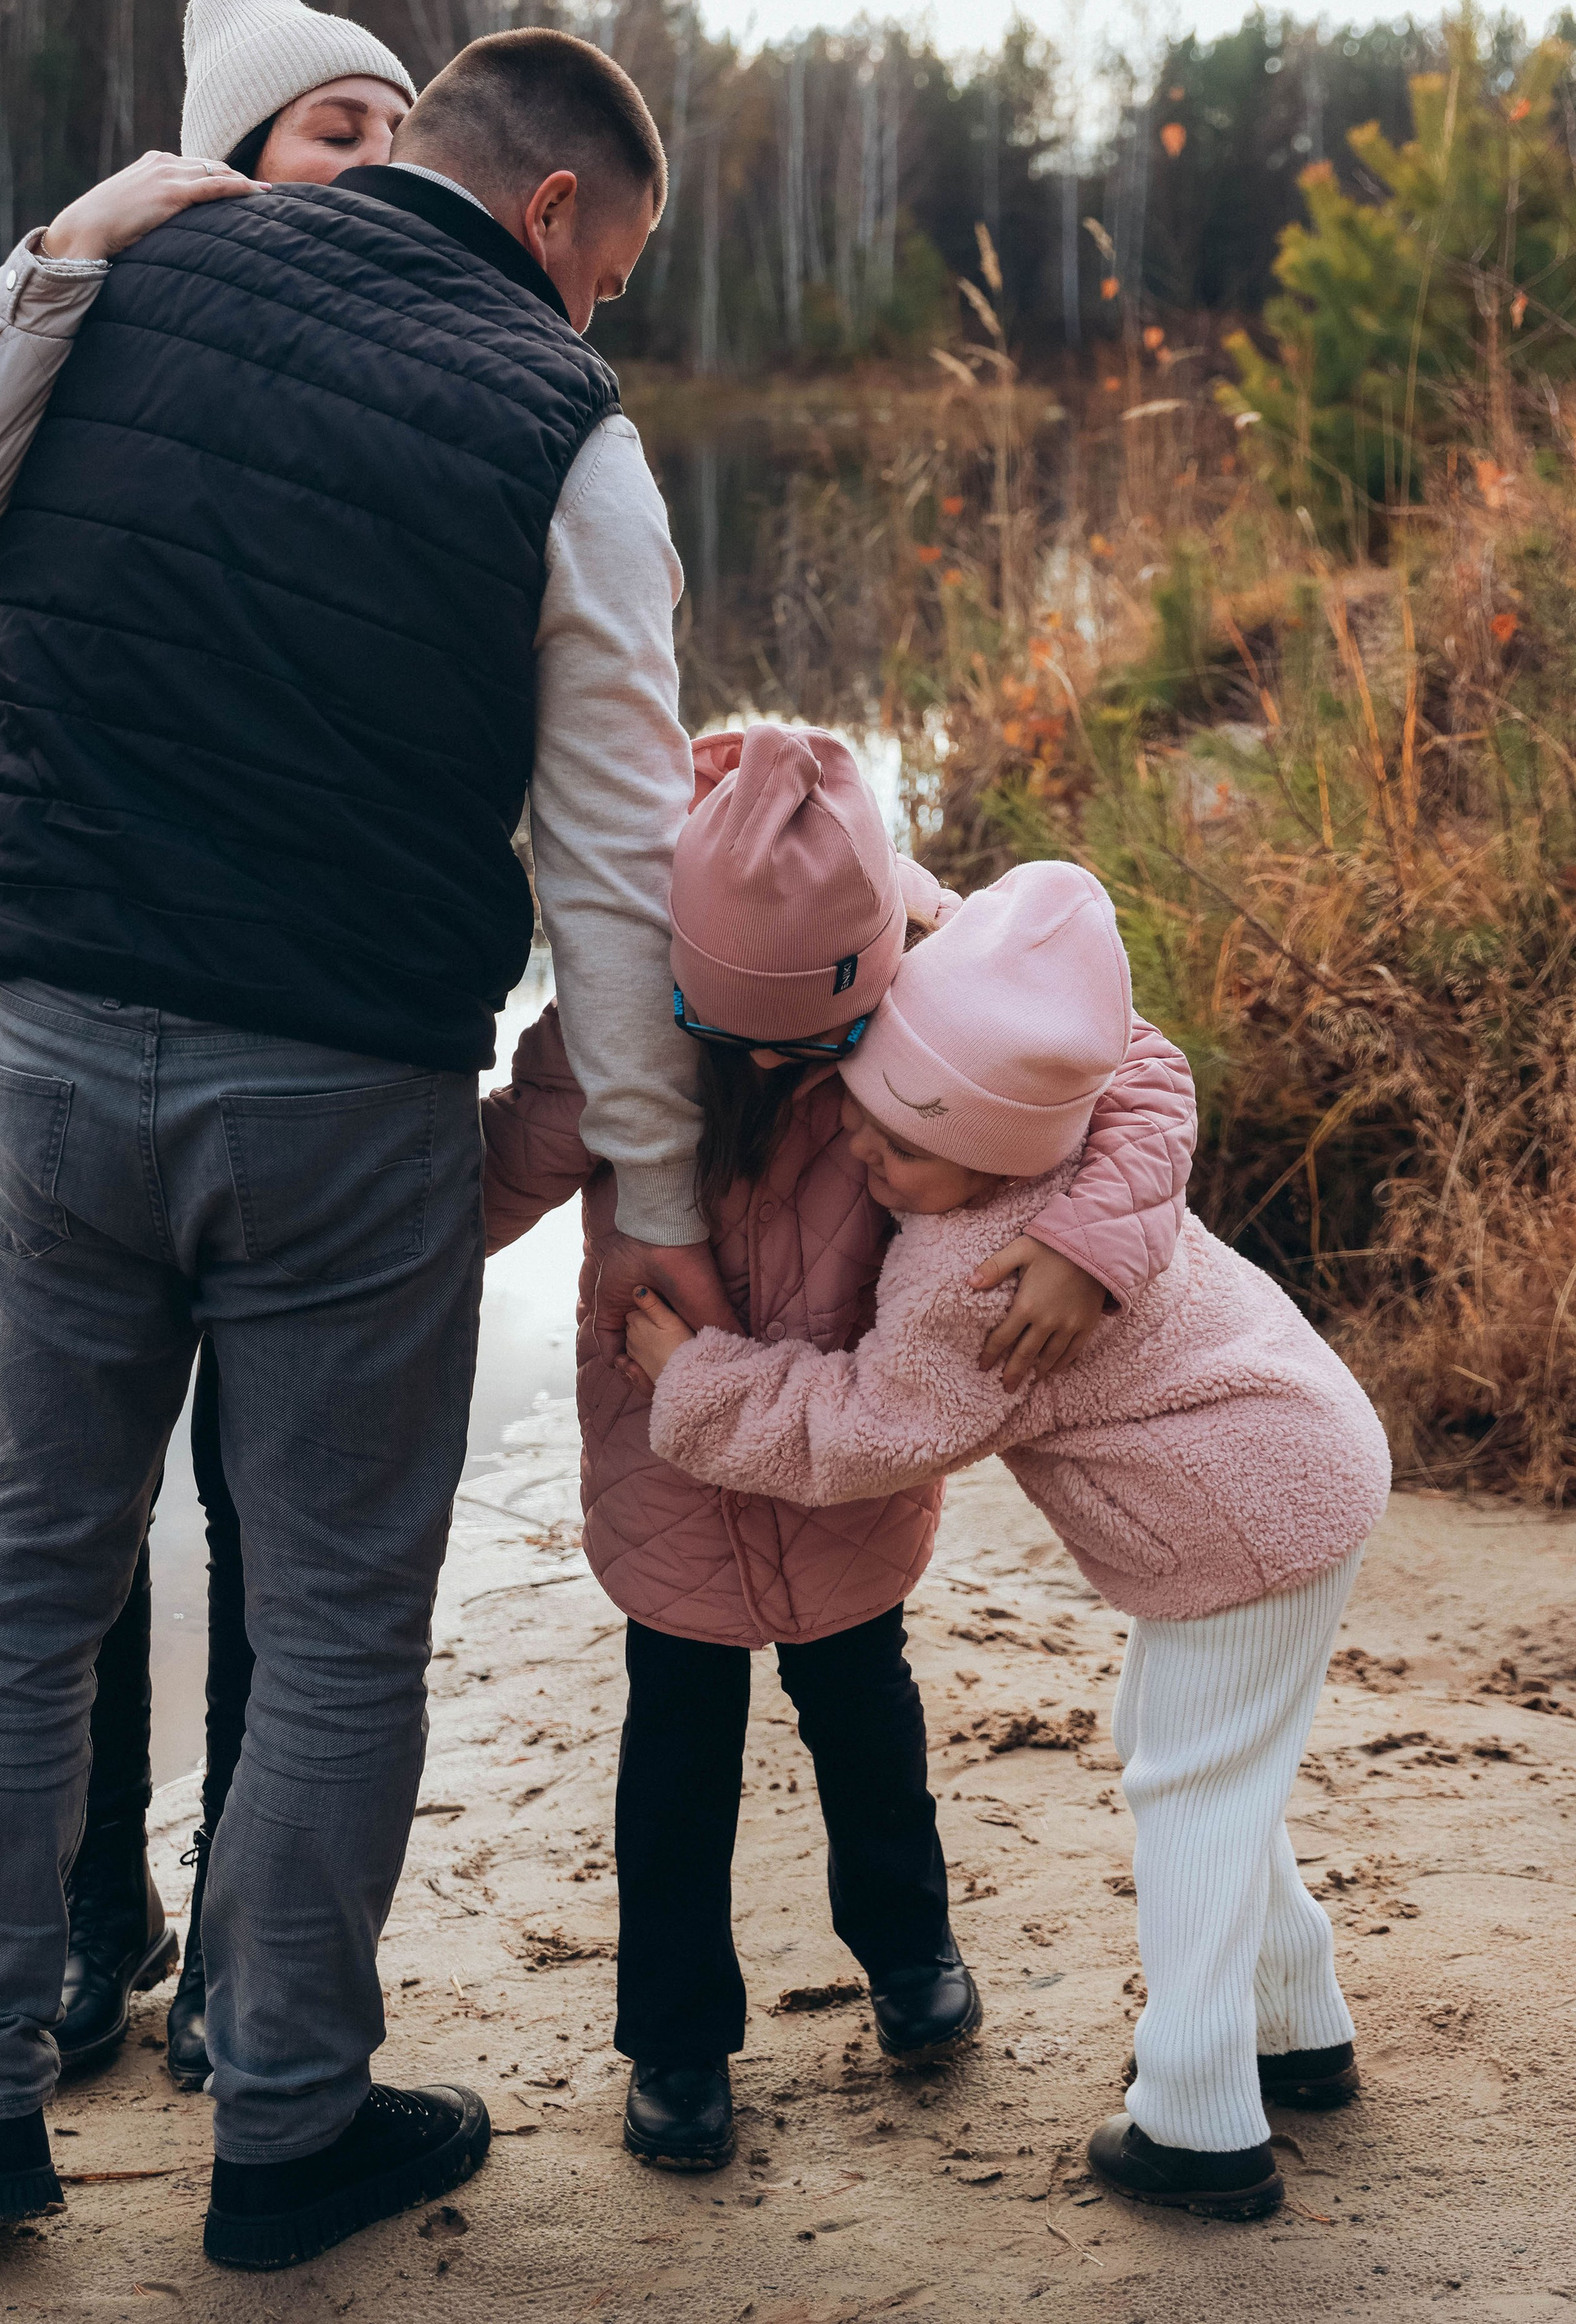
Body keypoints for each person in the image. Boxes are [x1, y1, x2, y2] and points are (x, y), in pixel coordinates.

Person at [0, 13, 737, 2273]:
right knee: (342, 1619)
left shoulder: (131, 284)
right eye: (612, 271)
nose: (597, 318)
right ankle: (283, 2124)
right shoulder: (566, 425)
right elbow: (623, 876)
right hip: (338, 1095)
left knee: (22, 1586)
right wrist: (651, 1198)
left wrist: (68, 234)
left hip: (50, 1046)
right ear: (555, 211)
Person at [0, 0, 421, 2095]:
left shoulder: (431, 370)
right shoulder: (88, 344)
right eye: (332, 132)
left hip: (293, 1042)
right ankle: (79, 1941)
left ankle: (224, 1982)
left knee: (267, 1534)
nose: (378, 167)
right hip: (62, 1024)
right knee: (62, 1542)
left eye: (402, 132)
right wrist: (75, 242)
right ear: (231, 160)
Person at [624, 859, 1391, 2224]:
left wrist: (698, 1383)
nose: (865, 1156)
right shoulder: (1051, 1119)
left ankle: (1201, 2123)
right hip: (1289, 1460)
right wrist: (883, 891)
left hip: (1246, 1514)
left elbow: (858, 1432)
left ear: (991, 1153)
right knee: (1194, 1753)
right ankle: (1299, 2022)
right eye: (859, 1120)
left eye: (900, 1151)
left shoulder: (959, 1274)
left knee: (1191, 1795)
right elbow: (997, 961)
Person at [481, 724, 1199, 2169]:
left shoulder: (940, 963)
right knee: (674, 1752)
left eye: (810, 1041)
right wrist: (304, 1263)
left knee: (869, 1717)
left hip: (849, 1452)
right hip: (666, 1453)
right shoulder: (619, 1003)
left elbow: (1141, 1073)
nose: (764, 1060)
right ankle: (678, 2041)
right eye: (733, 1030)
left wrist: (1087, 1241)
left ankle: (910, 1953)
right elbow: (499, 1168)